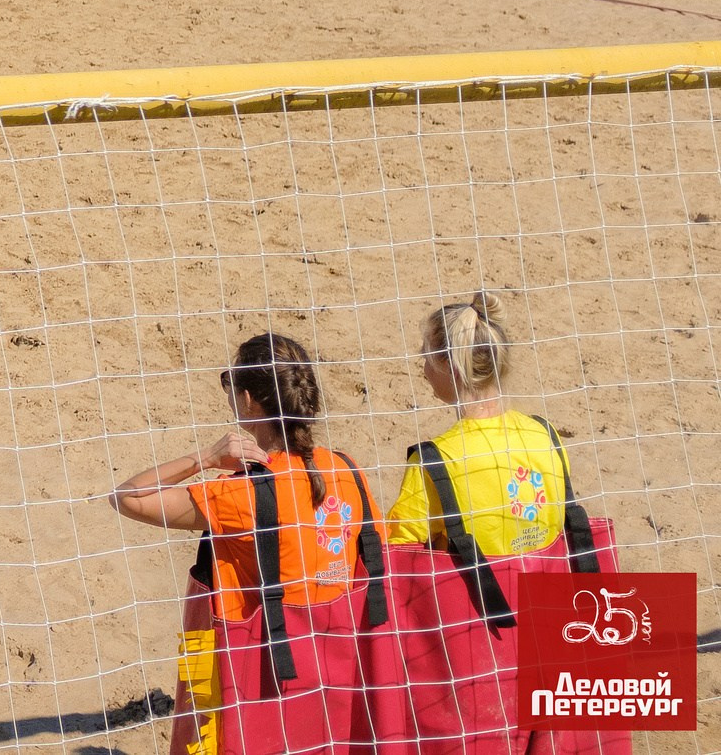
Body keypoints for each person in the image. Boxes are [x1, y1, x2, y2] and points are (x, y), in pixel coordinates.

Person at [113, 333, 386, 755]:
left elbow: (126, 497)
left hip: (267, 672)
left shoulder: (239, 494)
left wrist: (203, 458)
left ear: (248, 400)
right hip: (338, 669)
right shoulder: (349, 472)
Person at [379, 294, 613, 751]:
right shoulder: (544, 435)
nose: (421, 368)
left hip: (476, 651)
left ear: (452, 365)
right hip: (555, 636)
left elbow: (395, 556)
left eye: (426, 357)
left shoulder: (435, 459)